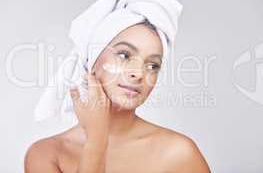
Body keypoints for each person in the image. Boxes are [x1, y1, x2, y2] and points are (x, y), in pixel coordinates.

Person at [24, 20, 211, 172]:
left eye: (152, 65)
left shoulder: (178, 153)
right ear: (92, 60)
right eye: (124, 55)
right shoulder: (47, 154)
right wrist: (97, 140)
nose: (138, 73)